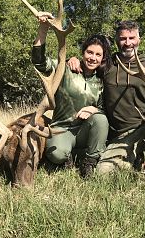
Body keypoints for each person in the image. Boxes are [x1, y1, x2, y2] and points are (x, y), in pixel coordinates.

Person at [68, 20, 145, 175]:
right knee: (103, 174)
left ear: (139, 39)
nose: (128, 43)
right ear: (117, 40)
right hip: (120, 135)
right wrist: (73, 60)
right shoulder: (107, 65)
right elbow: (89, 63)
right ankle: (133, 159)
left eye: (132, 38)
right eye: (123, 39)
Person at [31, 11, 111, 178]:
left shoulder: (102, 80)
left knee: (100, 119)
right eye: (90, 52)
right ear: (83, 52)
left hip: (84, 130)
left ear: (103, 58)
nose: (92, 58)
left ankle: (88, 163)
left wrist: (93, 110)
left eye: (98, 55)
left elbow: (104, 110)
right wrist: (43, 30)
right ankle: (71, 156)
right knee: (57, 154)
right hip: (62, 128)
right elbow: (39, 62)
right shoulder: (65, 68)